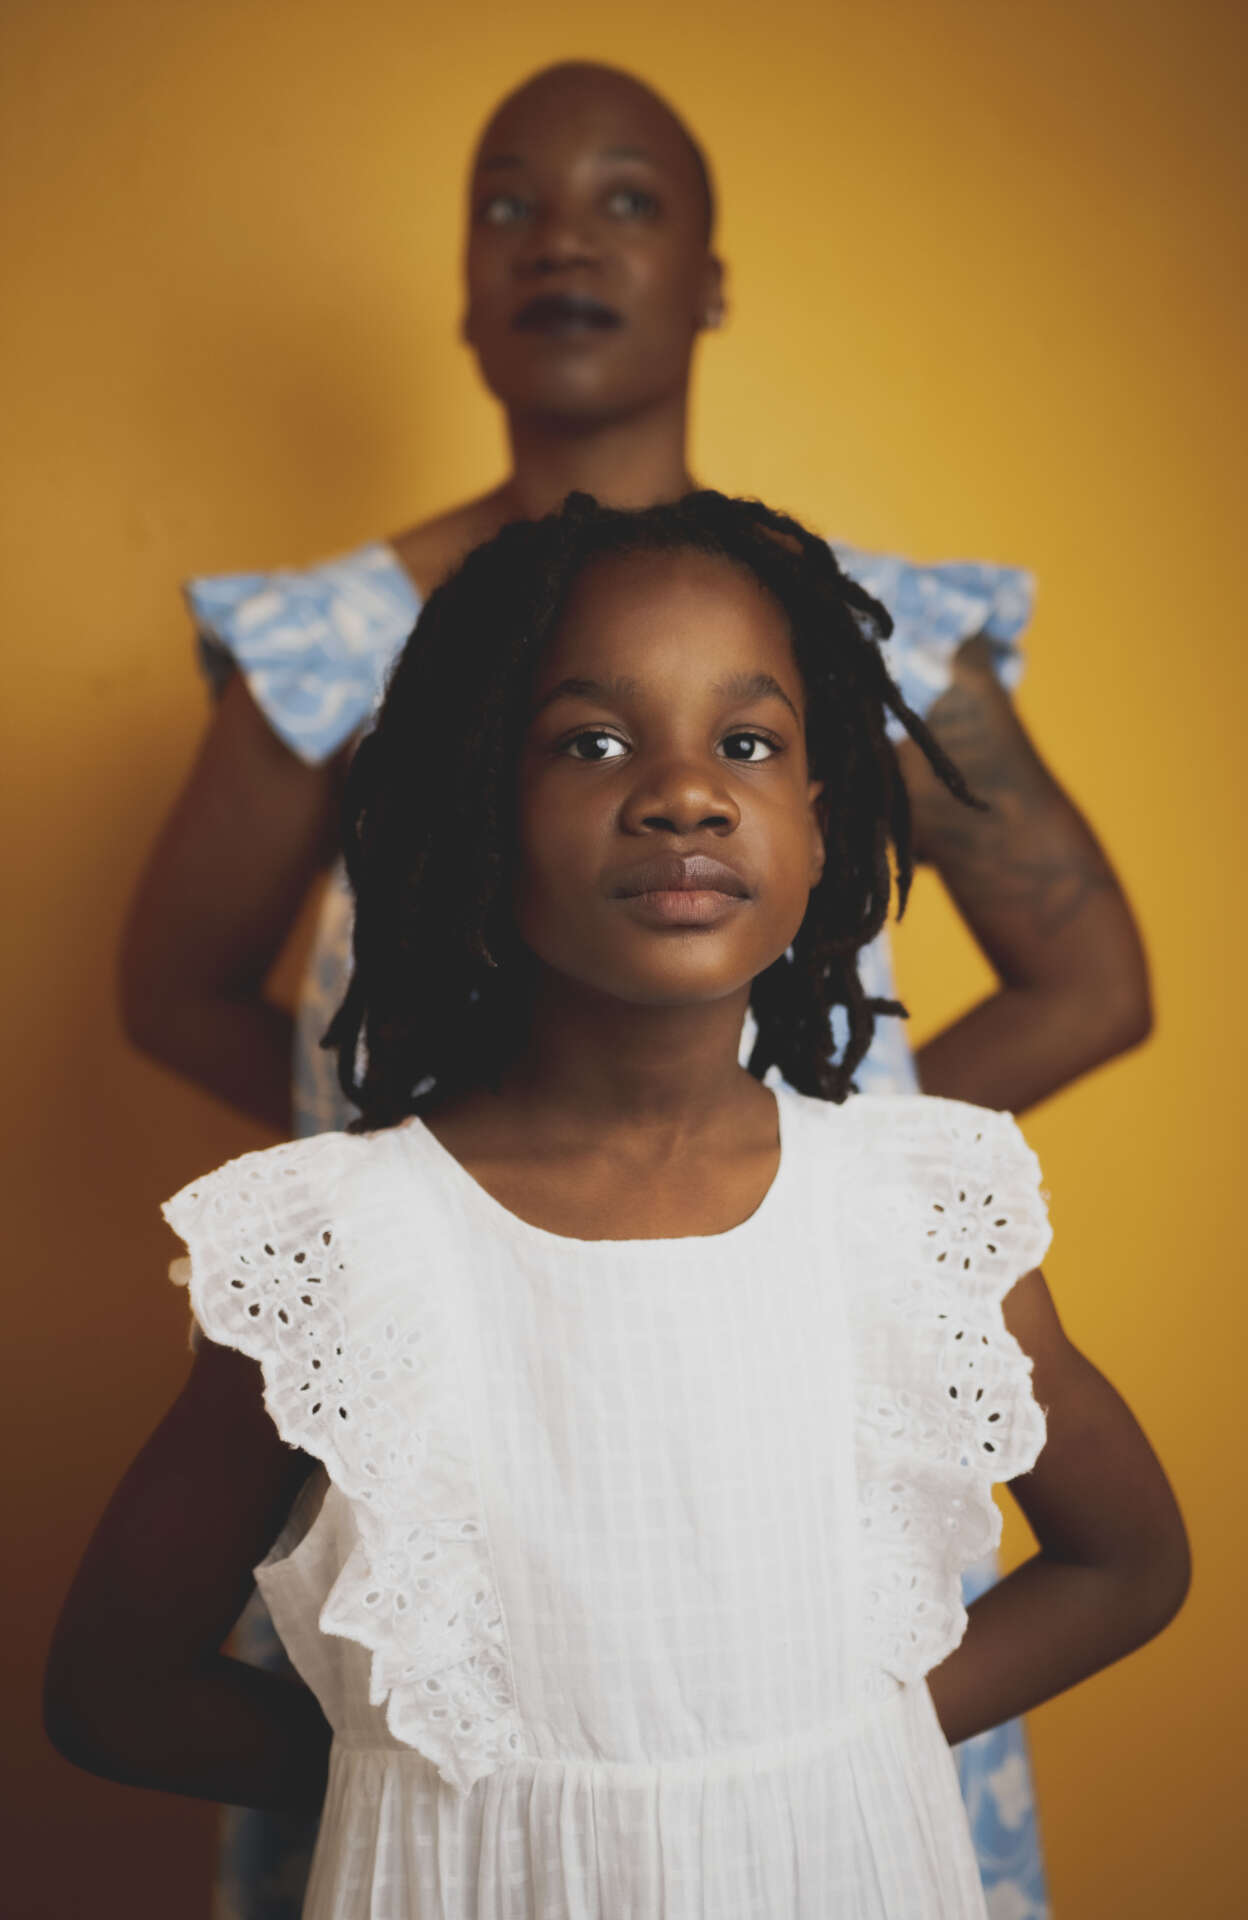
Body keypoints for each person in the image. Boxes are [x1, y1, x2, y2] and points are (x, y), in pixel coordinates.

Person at [118, 62, 1150, 1919]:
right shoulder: (338, 650)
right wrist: (437, 1189)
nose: (564, 241)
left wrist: (812, 1165)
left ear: (710, 277)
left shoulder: (858, 635)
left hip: (804, 1614)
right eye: (509, 203)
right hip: (464, 1518)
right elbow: (176, 988)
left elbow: (1090, 982)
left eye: (625, 200)